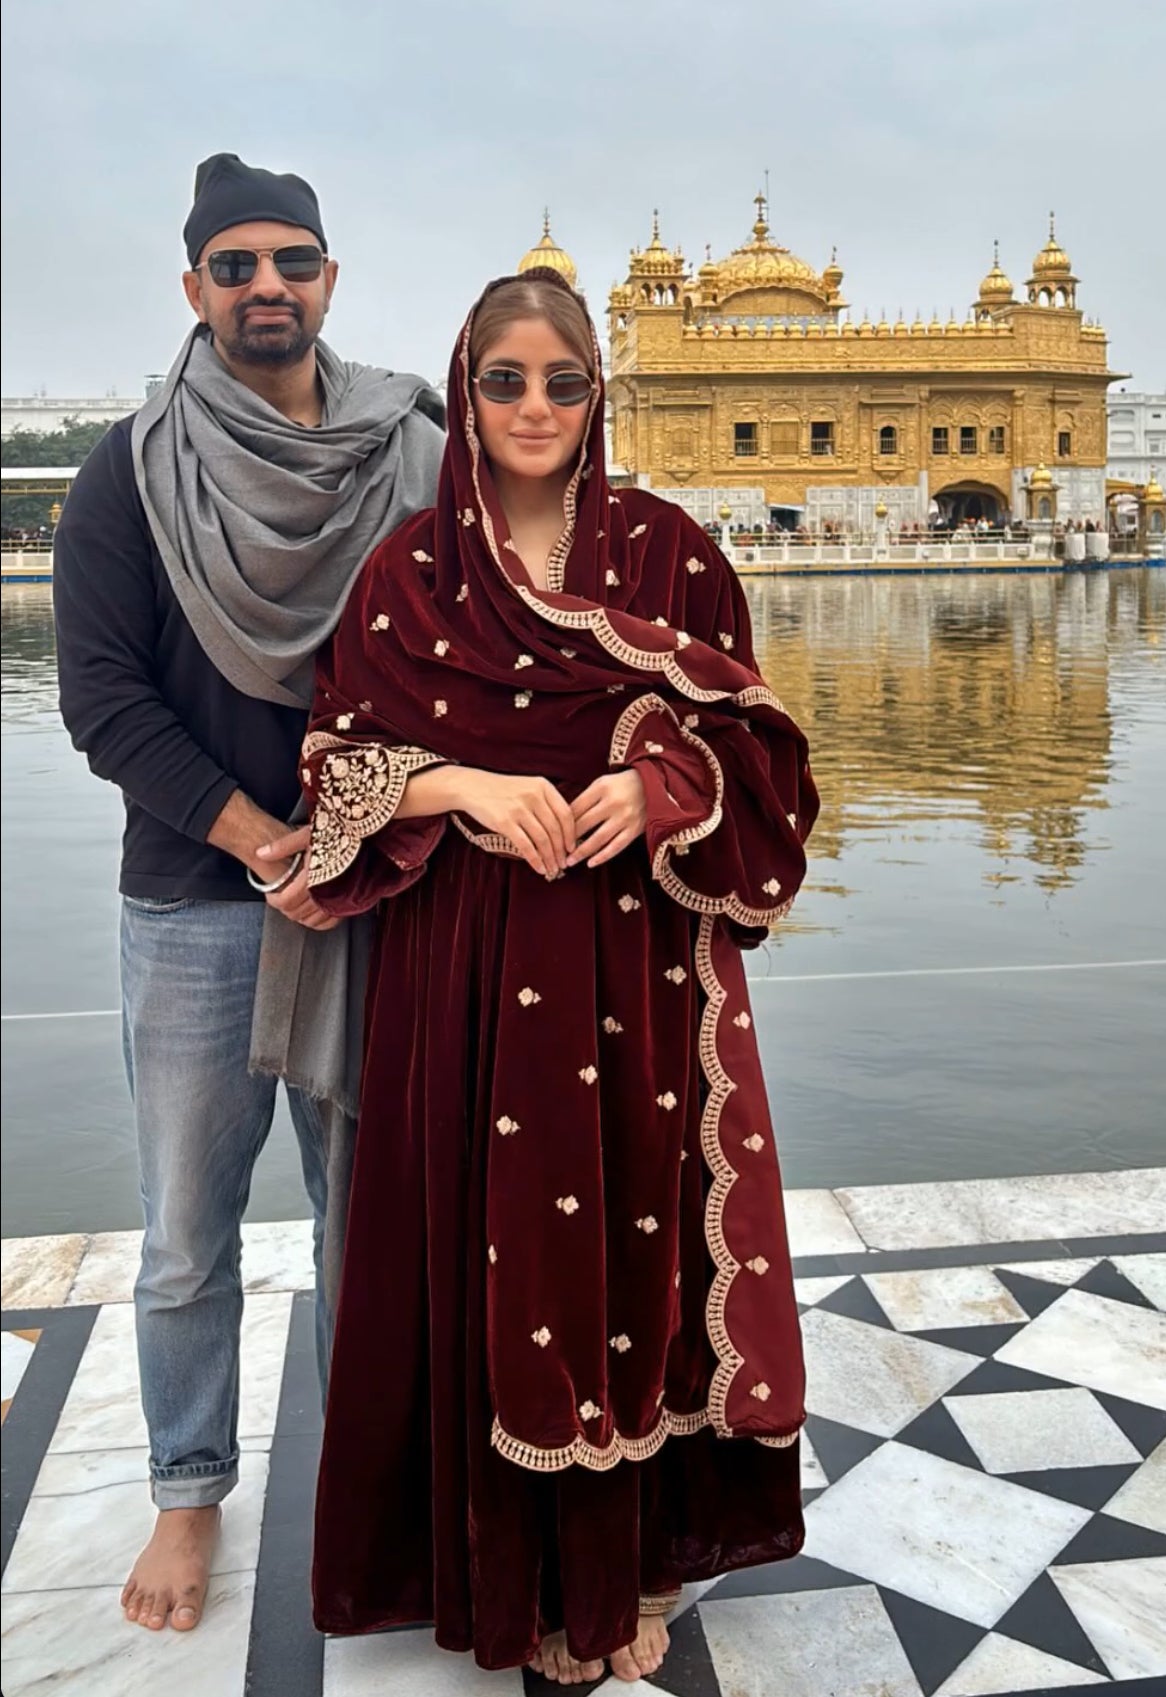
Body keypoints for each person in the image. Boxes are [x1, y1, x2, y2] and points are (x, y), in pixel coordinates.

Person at [265, 267, 814, 1683]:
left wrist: (659, 787)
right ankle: (519, 1585)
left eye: (559, 381)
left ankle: (633, 1568)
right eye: (502, 380)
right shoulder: (413, 571)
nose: (531, 407)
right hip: (473, 972)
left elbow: (761, 754)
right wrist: (456, 782)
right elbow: (333, 764)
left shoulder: (669, 552)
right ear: (465, 390)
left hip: (639, 965)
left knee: (639, 1240)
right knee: (502, 1244)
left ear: (596, 394)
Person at [53, 152, 444, 1636]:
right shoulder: (132, 468)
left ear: (330, 277)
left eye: (291, 262)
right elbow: (102, 697)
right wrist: (255, 834)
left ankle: (373, 1483)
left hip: (378, 892)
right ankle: (187, 1491)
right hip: (202, 904)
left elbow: (474, 650)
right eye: (236, 267)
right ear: (196, 288)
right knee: (183, 1231)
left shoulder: (410, 446)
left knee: (375, 1216)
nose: (266, 287)